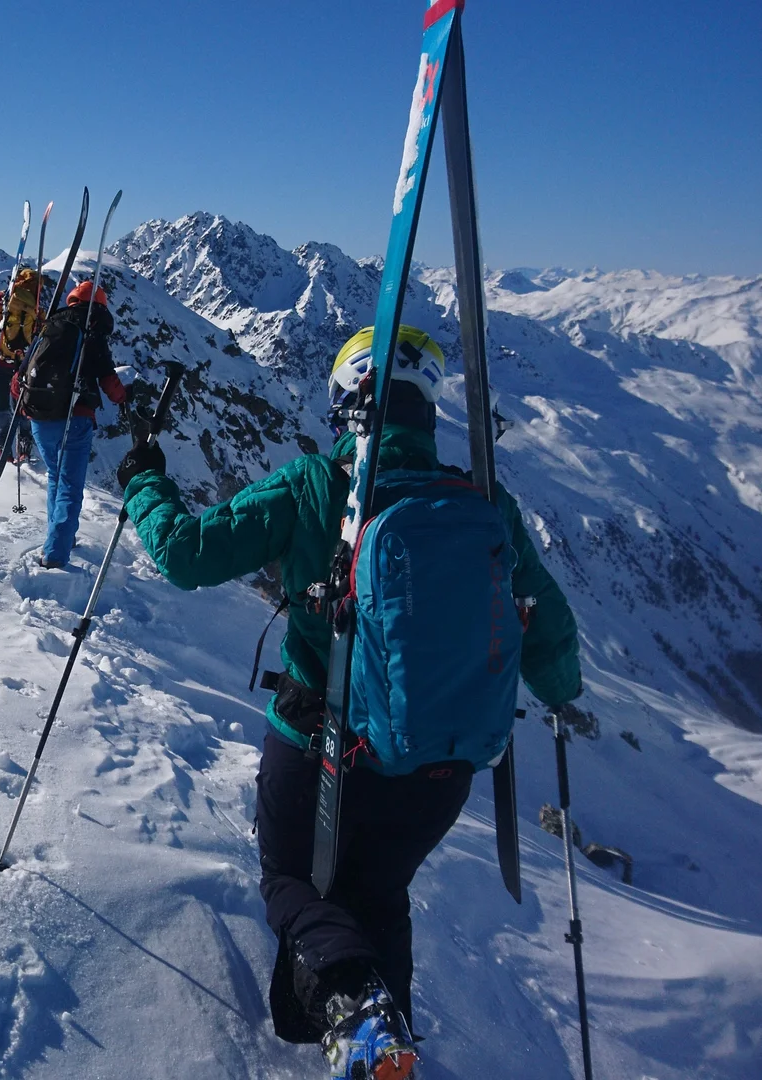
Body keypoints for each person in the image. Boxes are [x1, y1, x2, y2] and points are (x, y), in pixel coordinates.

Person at [114, 325, 583, 1076]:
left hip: (319, 748)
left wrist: (142, 478)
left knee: (292, 883)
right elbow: (549, 630)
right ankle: (388, 1043)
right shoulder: (485, 503)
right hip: (440, 765)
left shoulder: (312, 488)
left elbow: (185, 554)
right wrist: (563, 700)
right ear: (426, 406)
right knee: (379, 890)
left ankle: (355, 1013)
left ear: (343, 403)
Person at [17, 279, 127, 568]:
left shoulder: (50, 325)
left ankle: (60, 537)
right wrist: (123, 397)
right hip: (74, 417)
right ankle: (56, 554)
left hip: (40, 415)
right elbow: (108, 380)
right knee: (69, 485)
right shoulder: (91, 330)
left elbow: (21, 375)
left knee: (56, 476)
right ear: (99, 306)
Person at [0, 267, 50, 463]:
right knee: (23, 405)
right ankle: (24, 447)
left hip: (1, 362)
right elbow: (42, 335)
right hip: (25, 364)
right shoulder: (36, 307)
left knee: (1, 406)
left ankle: (4, 449)